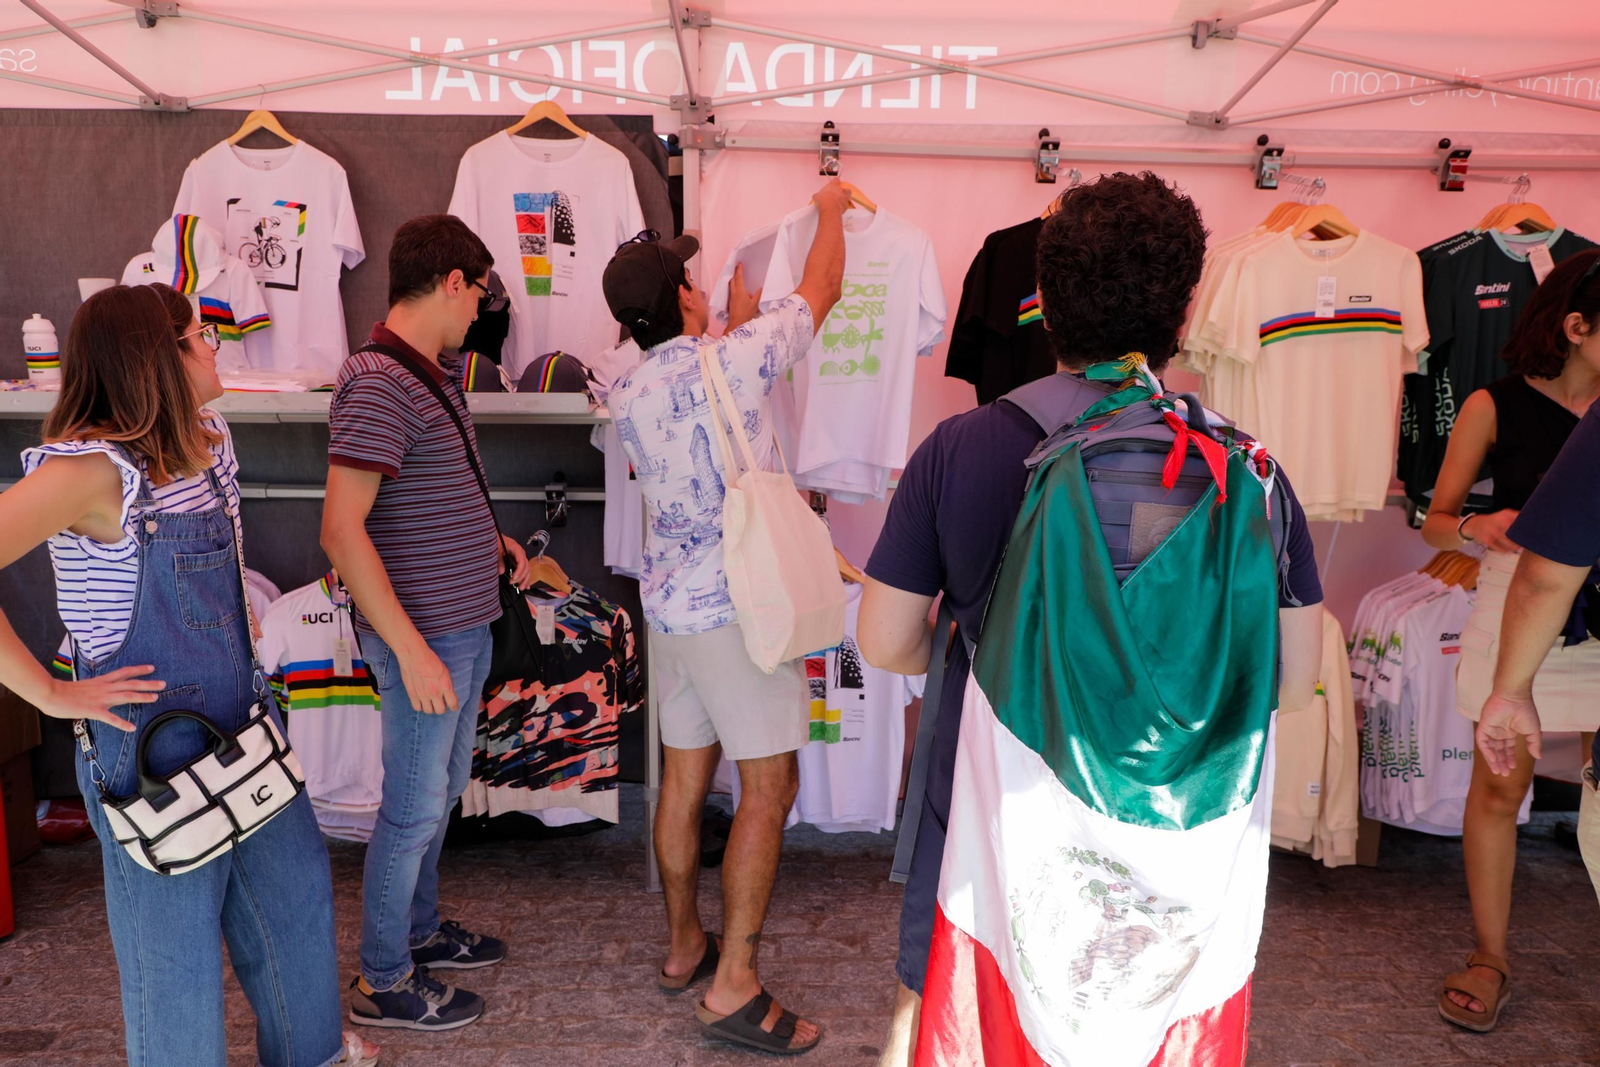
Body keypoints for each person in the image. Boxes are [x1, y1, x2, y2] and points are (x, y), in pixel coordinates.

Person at [856, 172, 1327, 1066]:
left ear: (1046, 302)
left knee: (950, 1009)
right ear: (1184, 310)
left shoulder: (961, 448)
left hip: (993, 806)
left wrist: (965, 649)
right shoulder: (1247, 469)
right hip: (1180, 826)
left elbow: (883, 639)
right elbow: (1291, 681)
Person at [0, 283, 377, 1067]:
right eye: (198, 335)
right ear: (156, 358)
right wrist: (48, 691)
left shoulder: (208, 441)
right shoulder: (91, 473)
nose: (215, 346)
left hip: (245, 730)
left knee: (299, 917)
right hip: (145, 757)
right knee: (174, 975)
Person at [601, 180, 849, 1056]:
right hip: (745, 608)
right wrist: (829, 210)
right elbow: (822, 290)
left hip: (672, 610)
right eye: (689, 280)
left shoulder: (624, 394)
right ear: (678, 298)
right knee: (768, 787)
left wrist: (722, 324)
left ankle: (682, 949)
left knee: (681, 779)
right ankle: (733, 983)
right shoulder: (740, 354)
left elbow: (689, 395)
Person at [323, 214, 531, 1032]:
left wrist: (487, 536)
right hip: (428, 637)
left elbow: (418, 493)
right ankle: (383, 977)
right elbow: (341, 530)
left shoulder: (430, 374)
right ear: (453, 281)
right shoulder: (379, 381)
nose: (483, 308)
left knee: (438, 794)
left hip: (458, 626)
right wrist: (410, 649)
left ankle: (414, 932)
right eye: (481, 290)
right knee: (411, 805)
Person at [1427, 249, 1600, 1033]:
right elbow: (1433, 517)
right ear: (1577, 326)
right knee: (1500, 785)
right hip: (1521, 609)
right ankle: (1489, 953)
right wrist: (1477, 526)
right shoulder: (1492, 406)